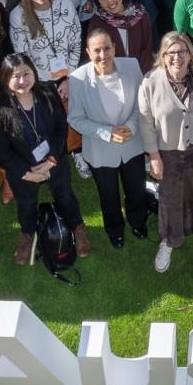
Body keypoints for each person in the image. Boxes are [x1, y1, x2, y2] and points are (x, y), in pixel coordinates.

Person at [0, 52, 89, 264]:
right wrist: (26, 173)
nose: (22, 81)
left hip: (54, 159)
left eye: (26, 73)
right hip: (23, 169)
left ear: (34, 72)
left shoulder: (49, 92)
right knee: (26, 203)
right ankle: (27, 235)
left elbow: (61, 128)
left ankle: (78, 228)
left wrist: (51, 160)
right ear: (6, 79)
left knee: (66, 196)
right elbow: (3, 151)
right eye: (16, 76)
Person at [138, 31, 193, 271]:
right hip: (168, 150)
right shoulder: (150, 81)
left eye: (182, 51)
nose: (177, 57)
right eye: (171, 53)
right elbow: (145, 121)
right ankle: (169, 240)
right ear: (163, 57)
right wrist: (154, 156)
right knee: (170, 197)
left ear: (190, 54)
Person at [68, 27, 148, 248]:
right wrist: (107, 132)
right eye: (96, 51)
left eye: (106, 48)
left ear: (114, 47)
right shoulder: (77, 79)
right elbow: (75, 119)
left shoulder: (131, 66)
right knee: (108, 195)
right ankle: (115, 230)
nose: (103, 55)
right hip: (100, 151)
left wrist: (131, 126)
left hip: (132, 144)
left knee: (136, 189)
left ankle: (138, 221)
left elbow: (143, 102)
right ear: (88, 51)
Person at [9, 0, 81, 88]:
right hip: (39, 83)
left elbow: (75, 43)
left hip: (70, 78)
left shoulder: (66, 6)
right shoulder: (17, 15)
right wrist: (46, 84)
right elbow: (23, 55)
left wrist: (69, 78)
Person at [88, 0, 154, 75]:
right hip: (112, 77)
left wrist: (141, 74)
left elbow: (147, 48)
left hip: (141, 74)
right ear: (98, 2)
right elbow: (98, 54)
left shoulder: (140, 15)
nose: (110, 1)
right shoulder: (97, 22)